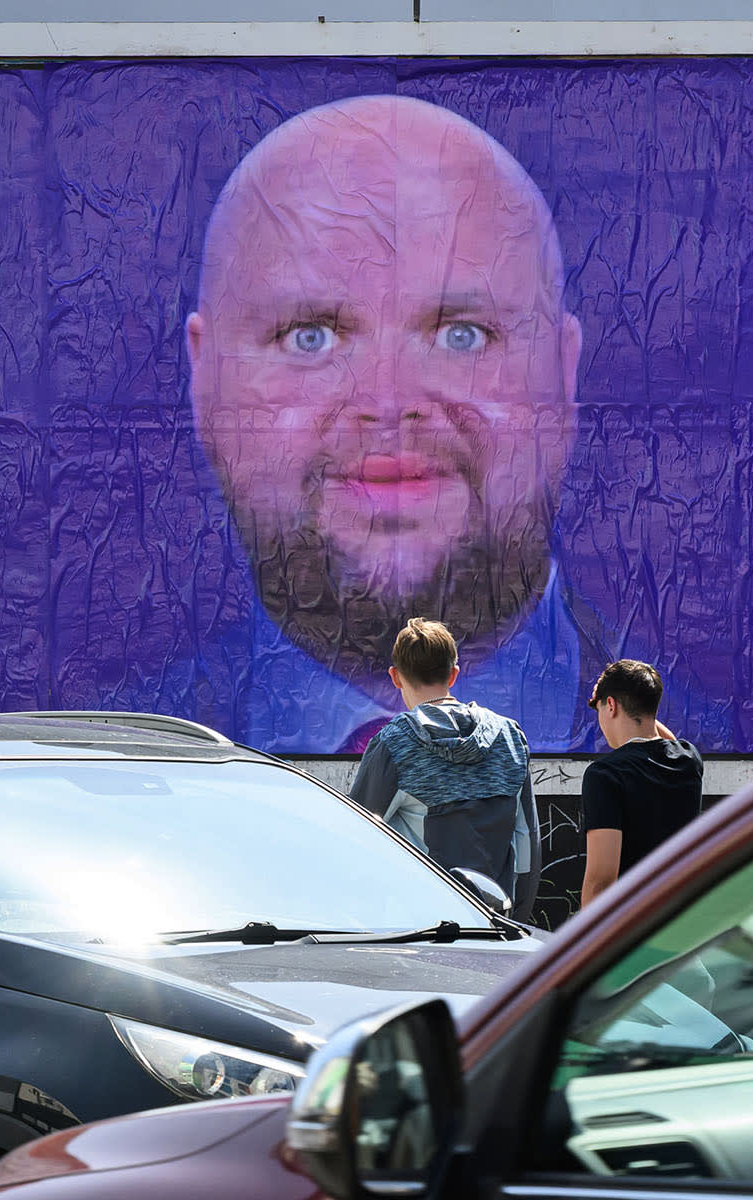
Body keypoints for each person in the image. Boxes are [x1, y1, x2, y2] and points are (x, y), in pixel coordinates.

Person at [184, 92, 725, 754]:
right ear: (204, 381)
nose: (388, 402)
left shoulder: (748, 784)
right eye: (311, 337)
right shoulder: (106, 783)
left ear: (564, 376)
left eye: (462, 335)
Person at [348, 619, 540, 921]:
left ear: (396, 677)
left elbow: (355, 839)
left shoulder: (395, 744)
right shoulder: (509, 737)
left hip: (419, 931)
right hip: (497, 924)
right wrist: (515, 921)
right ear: (453, 674)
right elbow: (526, 848)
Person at [579, 659, 704, 906]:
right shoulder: (689, 760)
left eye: (601, 708)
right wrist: (637, 700)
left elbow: (601, 881)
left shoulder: (604, 774)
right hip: (684, 917)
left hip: (634, 923)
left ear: (611, 706)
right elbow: (666, 742)